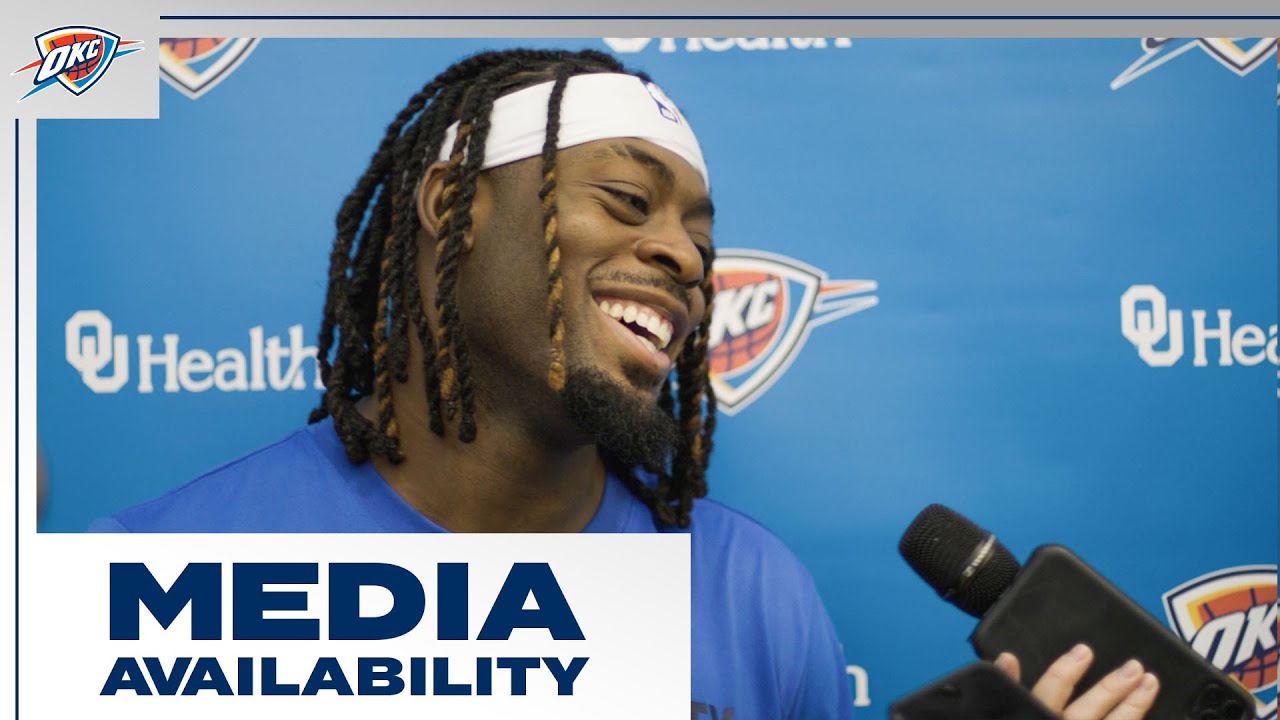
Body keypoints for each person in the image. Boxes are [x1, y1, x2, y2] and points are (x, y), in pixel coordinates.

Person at [90, 48, 1158, 718]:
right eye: (625, 199)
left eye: (698, 233)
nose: (684, 259)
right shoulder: (154, 579)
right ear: (450, 206)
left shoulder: (750, 590)